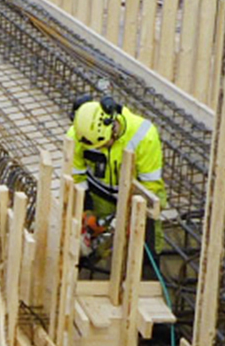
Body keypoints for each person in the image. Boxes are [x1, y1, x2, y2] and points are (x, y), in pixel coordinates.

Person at [66, 95, 167, 265]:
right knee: (93, 257)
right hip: (100, 202)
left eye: (103, 145)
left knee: (145, 255)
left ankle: (147, 274)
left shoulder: (144, 135)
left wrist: (126, 217)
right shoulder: (76, 136)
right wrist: (86, 210)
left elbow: (150, 186)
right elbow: (77, 177)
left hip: (139, 204)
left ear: (113, 127)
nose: (101, 149)